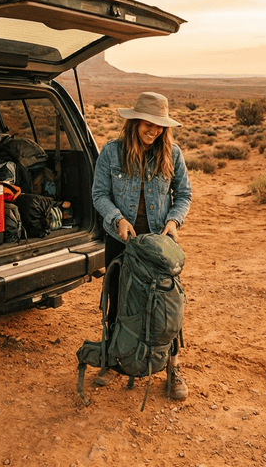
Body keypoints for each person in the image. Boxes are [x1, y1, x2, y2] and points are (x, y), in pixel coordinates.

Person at [92, 91, 192, 399]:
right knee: (117, 301)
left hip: (158, 247)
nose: (153, 130)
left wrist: (173, 223)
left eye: (159, 125)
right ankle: (111, 360)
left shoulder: (172, 153)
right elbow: (99, 195)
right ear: (135, 121)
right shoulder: (111, 152)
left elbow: (184, 195)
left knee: (167, 307)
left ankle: (172, 368)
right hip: (121, 241)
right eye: (147, 123)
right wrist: (118, 220)